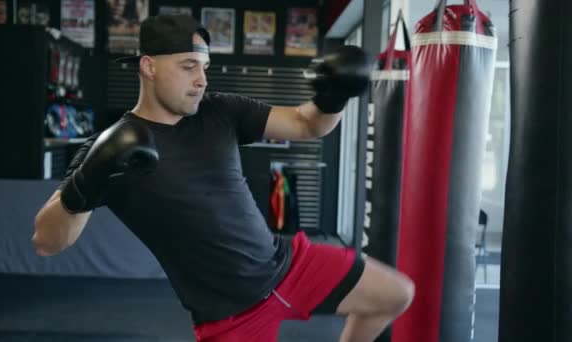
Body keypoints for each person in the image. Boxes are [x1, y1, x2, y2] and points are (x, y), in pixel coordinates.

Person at [33, 14, 414, 342]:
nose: (201, 80)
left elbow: (306, 122)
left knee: (396, 294)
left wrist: (334, 97)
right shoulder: (109, 148)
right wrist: (91, 175)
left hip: (287, 266)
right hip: (230, 317)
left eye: (204, 67)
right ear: (148, 66)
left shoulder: (220, 111)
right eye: (188, 66)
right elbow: (47, 241)